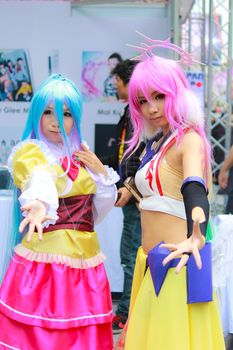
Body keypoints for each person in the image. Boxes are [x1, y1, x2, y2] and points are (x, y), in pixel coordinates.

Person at [115, 38, 225, 350]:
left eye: (159, 96)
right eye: (142, 101)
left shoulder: (188, 139)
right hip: (152, 266)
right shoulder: (157, 144)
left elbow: (194, 187)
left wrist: (197, 235)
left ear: (177, 93)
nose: (151, 108)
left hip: (177, 267)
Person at [0, 74, 119, 349]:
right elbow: (38, 182)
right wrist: (40, 206)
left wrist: (101, 173)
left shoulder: (82, 153)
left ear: (75, 117)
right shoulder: (30, 152)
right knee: (46, 333)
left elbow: (98, 211)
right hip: (45, 264)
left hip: (86, 260)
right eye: (48, 112)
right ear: (36, 115)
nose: (56, 121)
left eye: (65, 114)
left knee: (81, 334)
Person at [102, 59, 144, 333]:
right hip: (132, 192)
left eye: (116, 80)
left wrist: (130, 184)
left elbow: (140, 155)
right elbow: (124, 153)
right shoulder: (130, 111)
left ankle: (128, 313)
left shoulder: (139, 112)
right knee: (130, 254)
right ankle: (129, 311)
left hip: (137, 196)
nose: (114, 85)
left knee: (131, 255)